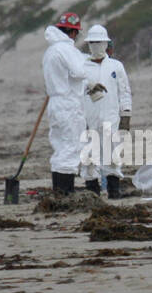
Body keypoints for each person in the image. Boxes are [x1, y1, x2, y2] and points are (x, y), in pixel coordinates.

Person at [42, 12, 92, 194]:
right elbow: (79, 72)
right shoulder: (65, 49)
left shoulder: (50, 50)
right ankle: (65, 194)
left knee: (60, 147)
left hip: (55, 102)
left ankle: (58, 193)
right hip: (68, 103)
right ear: (71, 31)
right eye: (76, 33)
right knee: (71, 147)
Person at [79, 25, 132, 198]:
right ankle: (92, 192)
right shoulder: (82, 66)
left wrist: (126, 113)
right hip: (88, 118)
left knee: (112, 154)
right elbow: (76, 91)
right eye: (92, 42)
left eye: (99, 42)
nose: (96, 46)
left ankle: (114, 191)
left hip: (111, 117)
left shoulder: (116, 66)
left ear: (106, 43)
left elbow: (124, 91)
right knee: (88, 155)